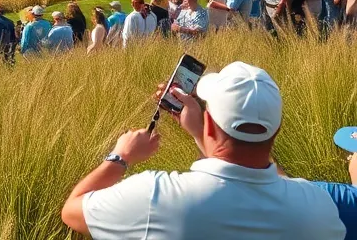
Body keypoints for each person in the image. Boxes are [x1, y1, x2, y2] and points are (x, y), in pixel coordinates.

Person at [60, 62, 345, 240]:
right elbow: (270, 179)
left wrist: (121, 157)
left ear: (209, 123)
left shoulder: (154, 196)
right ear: (278, 128)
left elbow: (72, 211)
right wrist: (201, 133)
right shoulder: (318, 208)